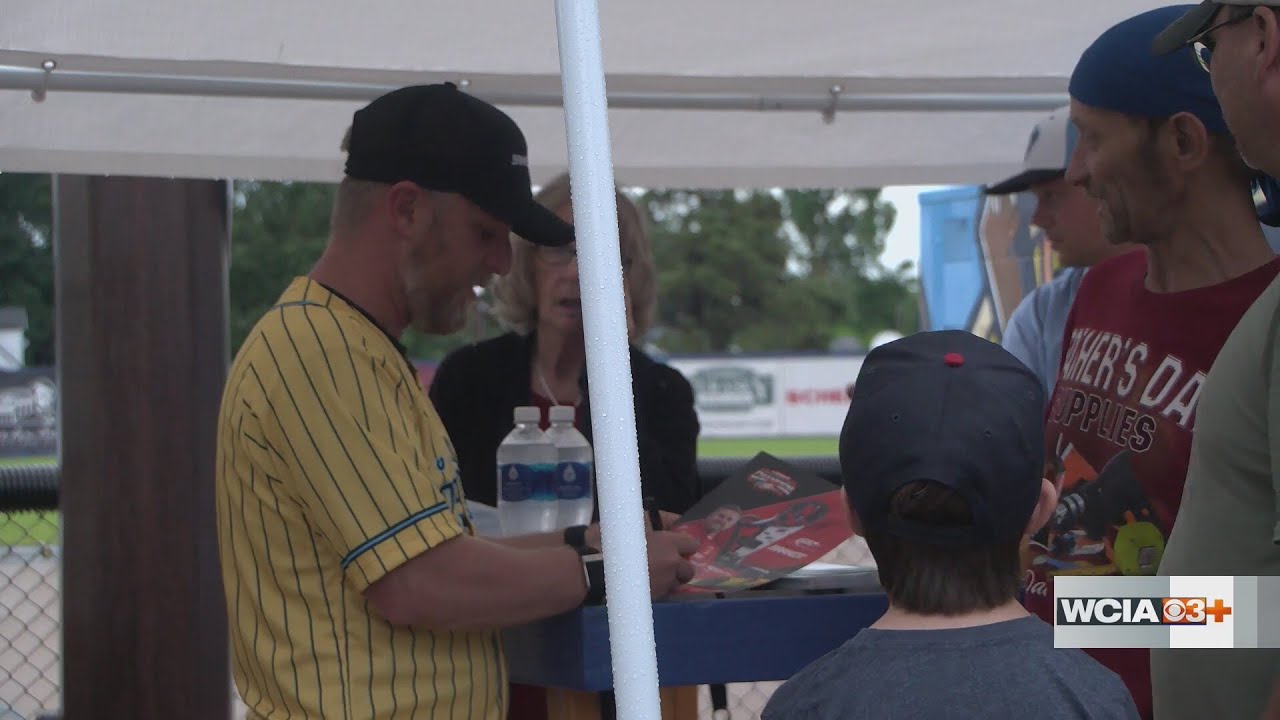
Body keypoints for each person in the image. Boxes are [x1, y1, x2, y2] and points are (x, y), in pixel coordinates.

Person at [213, 83, 698, 720]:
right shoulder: (317, 352)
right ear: (407, 209)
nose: (502, 263)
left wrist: (591, 541)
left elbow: (451, 549)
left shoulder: (360, 350)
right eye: (485, 232)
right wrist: (613, 575)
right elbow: (421, 582)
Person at [1023, 7, 1280, 718]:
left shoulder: (1264, 323)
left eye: (1093, 138)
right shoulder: (1099, 289)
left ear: (1183, 142)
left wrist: (1081, 611)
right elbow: (1058, 525)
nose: (1076, 172)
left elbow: (1267, 612)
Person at [761, 330, 1139, 720]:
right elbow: (1196, 617)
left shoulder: (804, 704)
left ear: (851, 510)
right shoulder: (1097, 698)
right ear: (1041, 510)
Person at [1148, 5, 1280, 719]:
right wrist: (1072, 612)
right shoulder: (1099, 295)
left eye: (1208, 47)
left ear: (1263, 38)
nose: (1079, 175)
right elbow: (1250, 600)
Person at [429, 172, 700, 518]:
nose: (575, 272)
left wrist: (610, 367)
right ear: (526, 262)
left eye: (598, 253)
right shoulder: (469, 378)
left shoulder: (663, 392)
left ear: (628, 277)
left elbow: (666, 521)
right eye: (558, 248)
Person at [986, 105, 1138, 400]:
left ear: (1106, 181)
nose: (1036, 219)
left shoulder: (1206, 286)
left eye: (1052, 197)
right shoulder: (1041, 315)